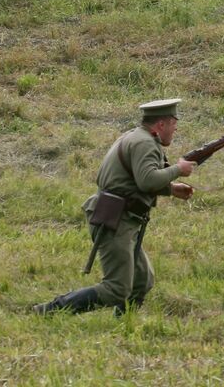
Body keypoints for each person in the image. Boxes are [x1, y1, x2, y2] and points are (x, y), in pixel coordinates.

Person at [31, 98, 195, 314]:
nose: (175, 130)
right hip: (116, 219)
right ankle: (50, 310)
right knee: (116, 289)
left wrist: (171, 189)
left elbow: (131, 181)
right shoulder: (144, 143)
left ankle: (125, 326)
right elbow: (146, 180)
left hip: (119, 216)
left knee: (142, 281)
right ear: (161, 124)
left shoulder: (137, 137)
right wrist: (177, 169)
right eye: (174, 125)